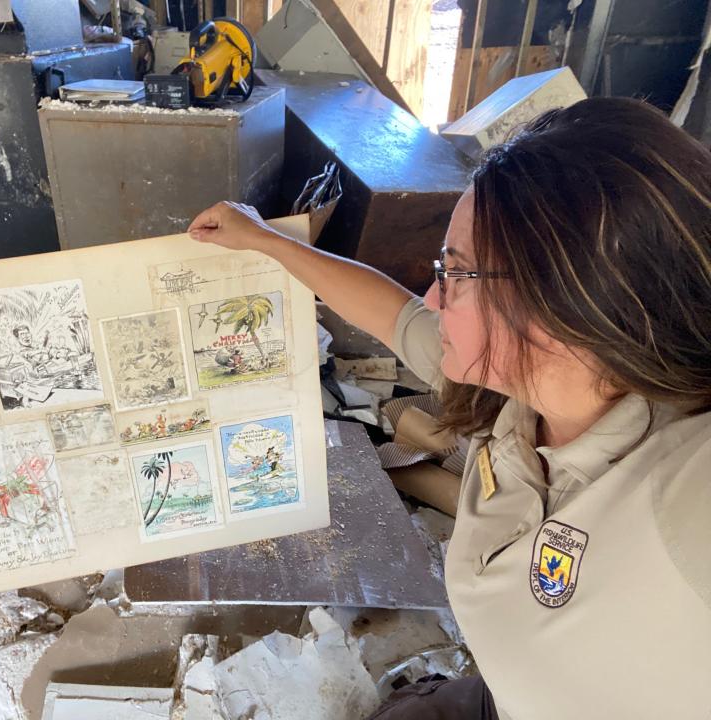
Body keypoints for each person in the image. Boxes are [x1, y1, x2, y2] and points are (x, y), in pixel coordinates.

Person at [188, 97, 711, 720]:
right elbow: (394, 313)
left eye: (457, 273)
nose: (435, 295)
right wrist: (266, 241)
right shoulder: (514, 387)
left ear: (563, 298)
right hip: (498, 696)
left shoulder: (683, 485)